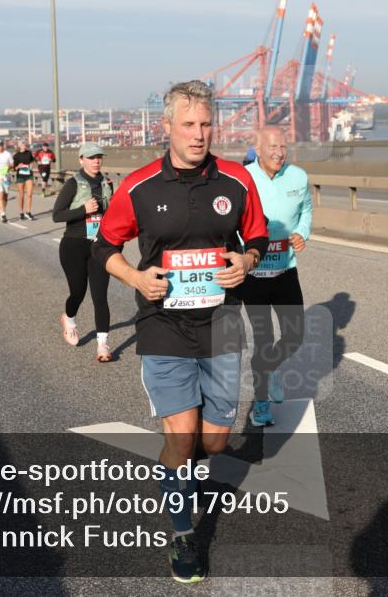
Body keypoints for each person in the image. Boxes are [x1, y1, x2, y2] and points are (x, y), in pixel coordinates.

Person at [93, 80, 268, 584]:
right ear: (165, 126)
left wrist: (246, 260)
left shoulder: (236, 180)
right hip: (162, 324)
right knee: (182, 435)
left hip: (220, 323)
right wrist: (135, 277)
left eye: (206, 124)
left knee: (213, 445)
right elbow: (104, 248)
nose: (199, 134)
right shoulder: (138, 187)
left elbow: (256, 235)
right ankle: (182, 533)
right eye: (188, 124)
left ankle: (187, 461)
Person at [242, 126, 312, 427]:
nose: (278, 152)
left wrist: (301, 232)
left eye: (283, 146)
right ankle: (260, 405)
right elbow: (232, 218)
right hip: (254, 275)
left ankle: (268, 370)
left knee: (295, 336)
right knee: (263, 339)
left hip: (285, 270)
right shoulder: (244, 178)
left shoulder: (298, 176)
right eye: (271, 146)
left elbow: (306, 210)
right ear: (256, 148)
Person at [53, 143, 114, 361]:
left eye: (99, 157)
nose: (96, 161)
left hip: (99, 246)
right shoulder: (73, 184)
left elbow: (112, 214)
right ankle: (69, 319)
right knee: (78, 292)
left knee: (100, 296)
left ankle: (103, 346)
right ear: (81, 160)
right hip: (73, 245)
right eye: (91, 157)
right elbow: (57, 215)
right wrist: (83, 210)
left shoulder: (107, 183)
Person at [12, 142, 36, 220]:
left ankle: (28, 212)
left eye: (25, 145)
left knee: (29, 194)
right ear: (19, 146)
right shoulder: (16, 156)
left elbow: (32, 161)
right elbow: (14, 168)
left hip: (29, 175)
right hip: (20, 176)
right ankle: (21, 212)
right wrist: (18, 166)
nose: (25, 146)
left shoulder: (29, 153)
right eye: (23, 145)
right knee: (21, 195)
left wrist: (31, 166)